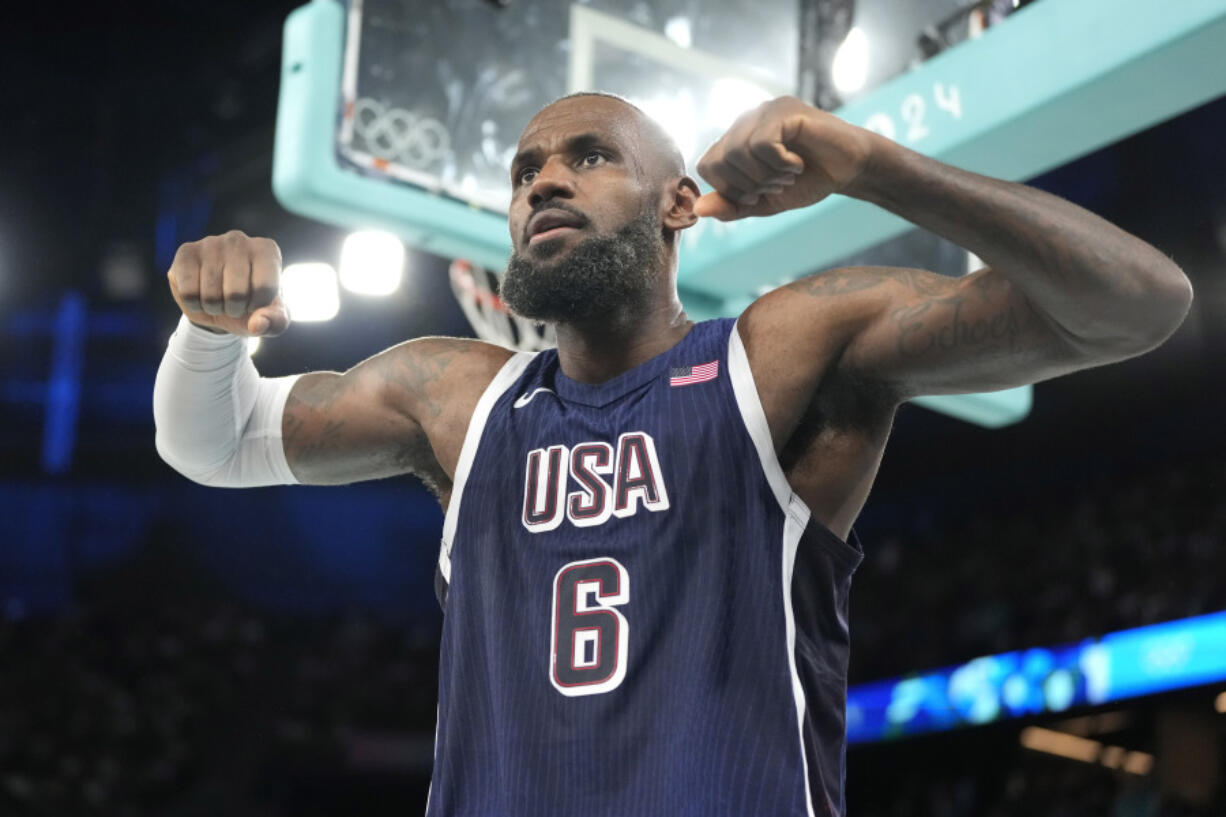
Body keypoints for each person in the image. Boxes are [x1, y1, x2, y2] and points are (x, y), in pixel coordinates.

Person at [153, 92, 1191, 817]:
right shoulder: (456, 394)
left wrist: (873, 166)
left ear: (677, 203)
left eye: (587, 156)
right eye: (524, 173)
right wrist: (207, 330)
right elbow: (216, 440)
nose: (544, 182)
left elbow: (1137, 304)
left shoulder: (781, 352)